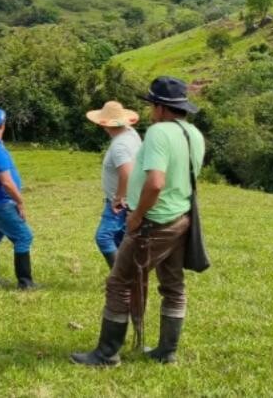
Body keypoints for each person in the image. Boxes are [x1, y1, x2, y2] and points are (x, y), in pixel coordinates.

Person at [71, 76, 205, 367]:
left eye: (151, 105)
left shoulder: (158, 133)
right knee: (173, 285)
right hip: (181, 218)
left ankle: (107, 353)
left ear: (159, 107)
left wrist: (137, 215)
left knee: (119, 283)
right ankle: (166, 351)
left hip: (154, 222)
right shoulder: (194, 134)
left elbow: (155, 182)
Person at [0, 108, 37, 290]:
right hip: (1, 204)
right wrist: (19, 202)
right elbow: (7, 183)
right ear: (3, 125)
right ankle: (25, 283)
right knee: (24, 237)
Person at [85, 101, 142, 268]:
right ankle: (130, 275)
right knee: (122, 239)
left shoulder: (119, 146)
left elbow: (127, 172)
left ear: (104, 124)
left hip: (120, 202)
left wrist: (119, 197)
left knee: (104, 237)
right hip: (133, 198)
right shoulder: (131, 133)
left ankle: (122, 277)